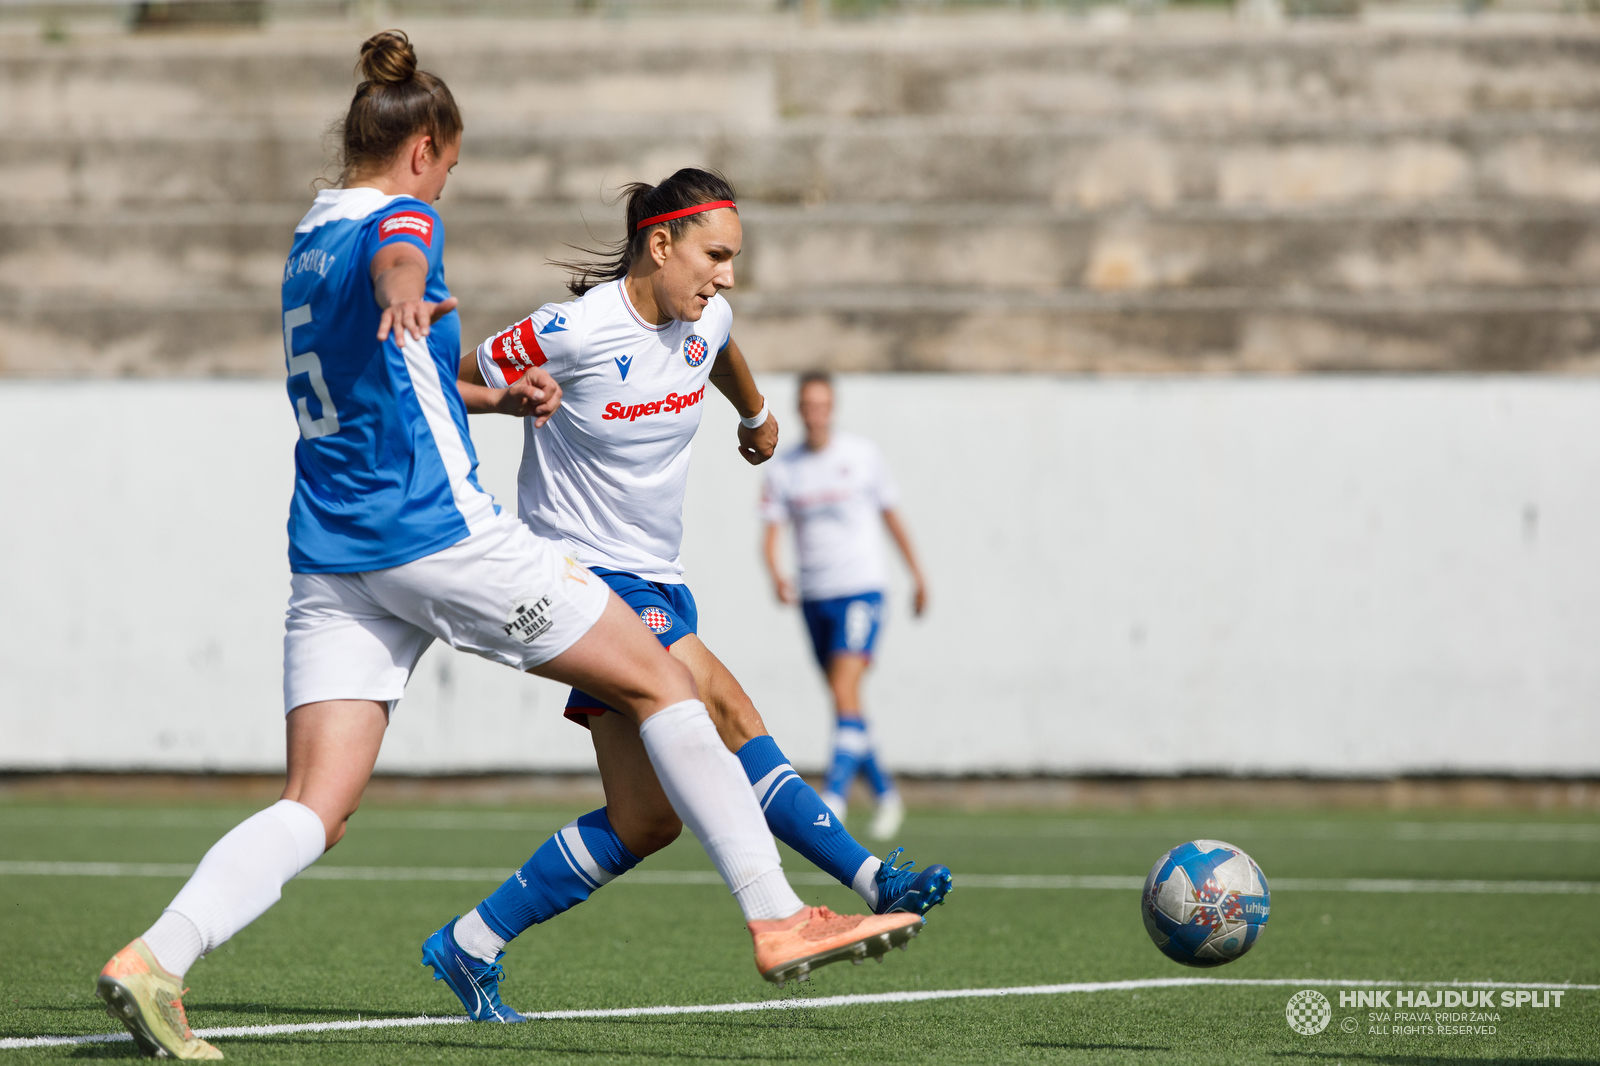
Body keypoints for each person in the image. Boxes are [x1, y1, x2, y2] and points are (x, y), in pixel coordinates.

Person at [93, 35, 918, 1060]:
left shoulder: (308, 233)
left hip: (334, 554)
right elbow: (403, 245)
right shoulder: (401, 216)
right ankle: (776, 910)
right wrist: (406, 278)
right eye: (449, 164)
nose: (444, 185)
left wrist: (494, 391)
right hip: (439, 533)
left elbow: (399, 371)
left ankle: (157, 956)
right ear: (424, 147)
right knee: (665, 681)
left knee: (316, 804)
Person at [440, 168, 953, 1005]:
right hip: (577, 574)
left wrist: (754, 416)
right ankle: (863, 881)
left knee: (646, 821)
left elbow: (722, 349)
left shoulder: (705, 317)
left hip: (658, 577)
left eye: (735, 259)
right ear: (660, 243)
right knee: (721, 704)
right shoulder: (571, 330)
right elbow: (442, 382)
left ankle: (470, 943)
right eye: (716, 255)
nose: (727, 277)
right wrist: (503, 399)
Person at [761, 372, 929, 841]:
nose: (816, 413)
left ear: (832, 408)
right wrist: (777, 575)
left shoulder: (861, 456)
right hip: (814, 597)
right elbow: (771, 531)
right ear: (799, 410)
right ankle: (887, 794)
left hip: (862, 590)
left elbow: (892, 516)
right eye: (808, 405)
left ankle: (832, 798)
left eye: (823, 405)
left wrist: (917, 574)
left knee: (844, 687)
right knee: (845, 699)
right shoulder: (786, 468)